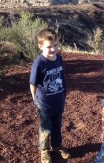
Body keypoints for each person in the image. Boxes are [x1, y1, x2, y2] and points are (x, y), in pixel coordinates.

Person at [29, 28, 70, 163]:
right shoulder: (39, 63)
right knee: (46, 127)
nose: (53, 49)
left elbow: (62, 78)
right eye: (49, 47)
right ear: (40, 46)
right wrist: (36, 100)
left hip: (58, 100)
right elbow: (33, 84)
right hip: (44, 103)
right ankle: (44, 150)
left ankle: (57, 146)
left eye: (55, 45)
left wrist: (63, 94)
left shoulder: (59, 59)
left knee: (57, 125)